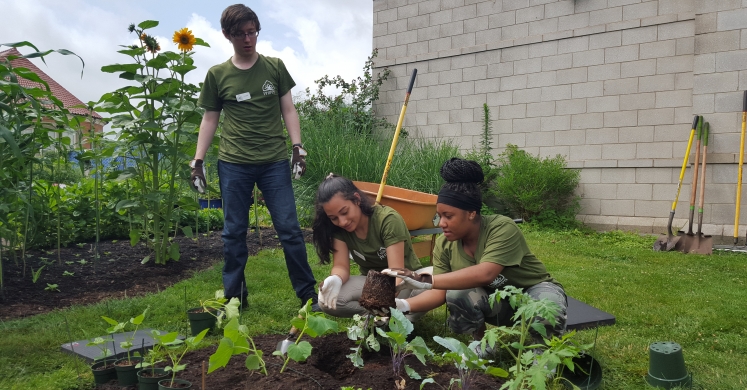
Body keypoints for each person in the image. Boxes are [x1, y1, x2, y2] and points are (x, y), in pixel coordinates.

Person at [189, 4, 317, 310]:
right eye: (241, 34)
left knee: (289, 229)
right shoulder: (218, 74)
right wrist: (198, 160)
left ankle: (308, 295)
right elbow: (210, 119)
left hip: (273, 161)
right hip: (233, 163)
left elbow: (289, 109)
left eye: (252, 32)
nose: (248, 39)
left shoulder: (274, 67)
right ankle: (235, 298)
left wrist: (297, 146)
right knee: (233, 232)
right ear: (227, 35)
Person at [383, 158, 567, 345]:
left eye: (448, 216)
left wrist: (422, 279)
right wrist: (401, 306)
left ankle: (545, 354)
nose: (441, 224)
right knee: (456, 294)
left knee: (547, 307)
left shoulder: (501, 227)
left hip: (532, 292)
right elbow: (439, 293)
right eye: (439, 216)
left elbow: (486, 273)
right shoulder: (444, 244)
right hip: (499, 303)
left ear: (471, 213)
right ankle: (480, 346)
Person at [312, 174, 430, 319]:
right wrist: (336, 278)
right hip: (372, 284)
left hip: (404, 283)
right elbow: (341, 266)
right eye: (333, 218)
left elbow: (396, 274)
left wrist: (381, 300)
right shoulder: (339, 231)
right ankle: (379, 317)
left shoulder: (387, 220)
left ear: (356, 199)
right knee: (326, 300)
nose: (342, 222)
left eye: (344, 212)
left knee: (433, 277)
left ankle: (400, 312)